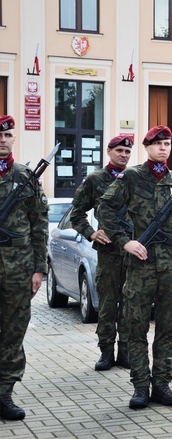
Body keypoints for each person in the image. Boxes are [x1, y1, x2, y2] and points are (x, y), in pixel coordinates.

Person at [98, 126, 172, 409]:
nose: (164, 148)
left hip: (171, 268)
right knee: (136, 328)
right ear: (148, 147)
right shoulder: (131, 177)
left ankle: (162, 384)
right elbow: (105, 209)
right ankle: (141, 386)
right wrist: (124, 241)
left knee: (166, 329)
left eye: (167, 144)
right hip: (140, 268)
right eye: (158, 144)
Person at [70, 134, 134, 371]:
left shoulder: (134, 178)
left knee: (130, 303)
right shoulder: (96, 180)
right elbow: (76, 212)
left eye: (127, 152)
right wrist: (90, 233)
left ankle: (125, 351)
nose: (123, 155)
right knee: (108, 303)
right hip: (108, 252)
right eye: (119, 150)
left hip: (133, 251)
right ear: (109, 151)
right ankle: (106, 352)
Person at [0, 115, 49, 421]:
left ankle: (4, 393)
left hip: (18, 269)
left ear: (13, 138)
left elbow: (40, 224)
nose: (2, 139)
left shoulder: (26, 176)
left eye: (7, 135)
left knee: (13, 331)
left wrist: (39, 268)